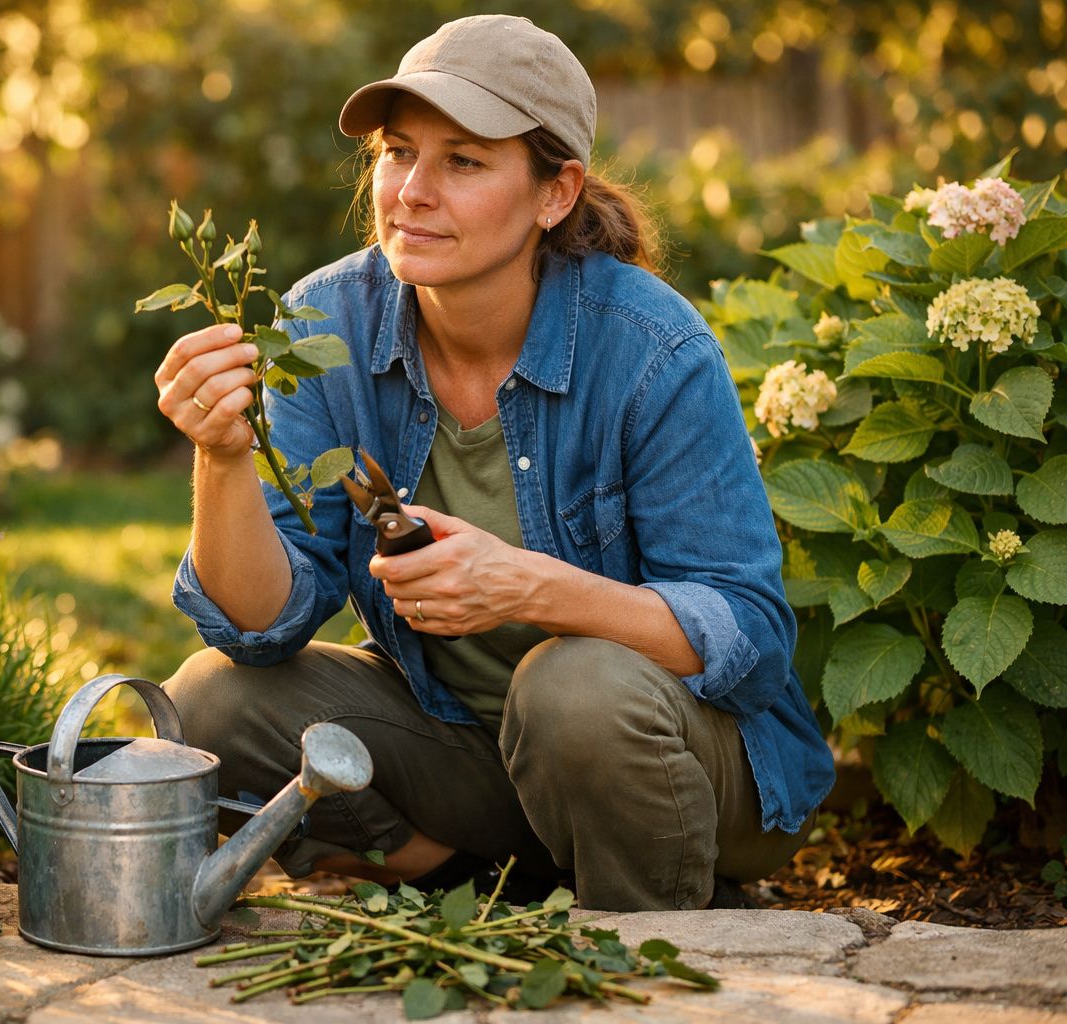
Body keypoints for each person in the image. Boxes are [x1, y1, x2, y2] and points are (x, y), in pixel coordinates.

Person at [153, 13, 833, 911]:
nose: (411, 192)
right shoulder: (327, 328)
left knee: (573, 687)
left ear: (556, 194)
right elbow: (259, 626)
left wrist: (530, 589)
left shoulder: (652, 351)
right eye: (398, 153)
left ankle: (652, 939)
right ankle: (463, 877)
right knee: (211, 703)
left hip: (683, 763)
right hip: (466, 749)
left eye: (463, 162)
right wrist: (224, 456)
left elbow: (747, 637)